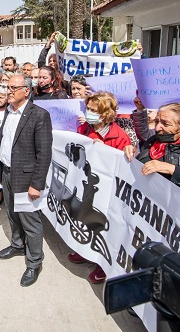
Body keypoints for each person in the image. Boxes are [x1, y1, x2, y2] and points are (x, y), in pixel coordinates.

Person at [69, 92, 134, 282]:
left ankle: (102, 265)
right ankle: (84, 251)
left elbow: (122, 166)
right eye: (88, 109)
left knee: (103, 226)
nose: (88, 113)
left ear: (105, 114)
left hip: (107, 190)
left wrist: (103, 151)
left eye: (93, 110)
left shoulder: (120, 137)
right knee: (84, 219)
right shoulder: (84, 128)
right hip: (86, 183)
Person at [0, 74, 52, 287]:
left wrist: (36, 184)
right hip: (8, 173)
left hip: (27, 178)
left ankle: (34, 261)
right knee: (12, 214)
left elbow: (44, 153)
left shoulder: (39, 115)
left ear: (26, 91)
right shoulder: (9, 112)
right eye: (7, 87)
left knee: (30, 221)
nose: (8, 91)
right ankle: (17, 245)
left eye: (13, 88)